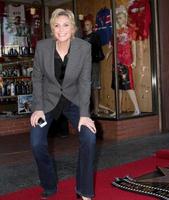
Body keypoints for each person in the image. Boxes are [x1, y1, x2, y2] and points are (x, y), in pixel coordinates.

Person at [30, 9, 96, 200]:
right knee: (36, 143)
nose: (61, 29)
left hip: (73, 101)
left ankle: (84, 190)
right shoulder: (42, 47)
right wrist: (38, 108)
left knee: (89, 137)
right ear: (52, 28)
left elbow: (85, 82)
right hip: (47, 101)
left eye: (66, 25)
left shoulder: (84, 48)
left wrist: (85, 114)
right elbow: (37, 79)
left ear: (73, 27)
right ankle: (49, 184)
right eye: (57, 25)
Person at [108, 6, 140, 116]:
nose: (121, 19)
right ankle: (118, 109)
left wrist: (134, 60)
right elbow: (113, 47)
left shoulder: (130, 31)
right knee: (118, 87)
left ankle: (137, 109)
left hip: (126, 61)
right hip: (117, 62)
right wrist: (109, 53)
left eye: (123, 17)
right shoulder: (116, 32)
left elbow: (134, 46)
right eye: (119, 18)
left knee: (128, 85)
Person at [82, 15, 104, 116]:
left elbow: (97, 49)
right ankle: (90, 109)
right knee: (87, 86)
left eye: (88, 25)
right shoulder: (82, 38)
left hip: (94, 62)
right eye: (85, 25)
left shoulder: (96, 36)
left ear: (91, 26)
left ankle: (96, 110)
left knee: (95, 85)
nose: (86, 26)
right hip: (85, 64)